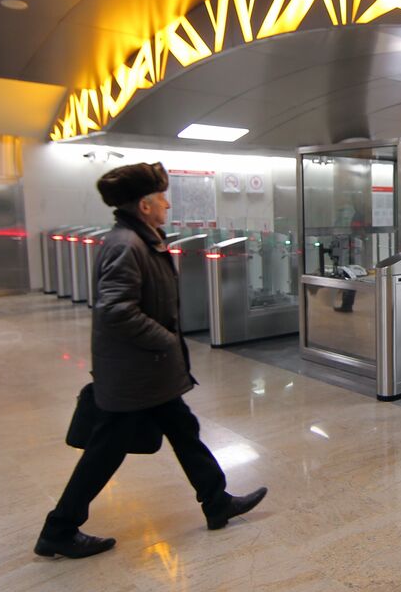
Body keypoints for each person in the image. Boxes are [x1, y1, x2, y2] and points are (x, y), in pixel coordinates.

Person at [36, 163, 267, 560]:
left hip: (147, 370)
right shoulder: (127, 244)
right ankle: (59, 528)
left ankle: (216, 502)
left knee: (184, 430)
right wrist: (164, 340)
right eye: (161, 197)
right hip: (135, 373)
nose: (167, 203)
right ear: (144, 205)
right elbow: (115, 310)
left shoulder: (142, 238)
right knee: (106, 451)